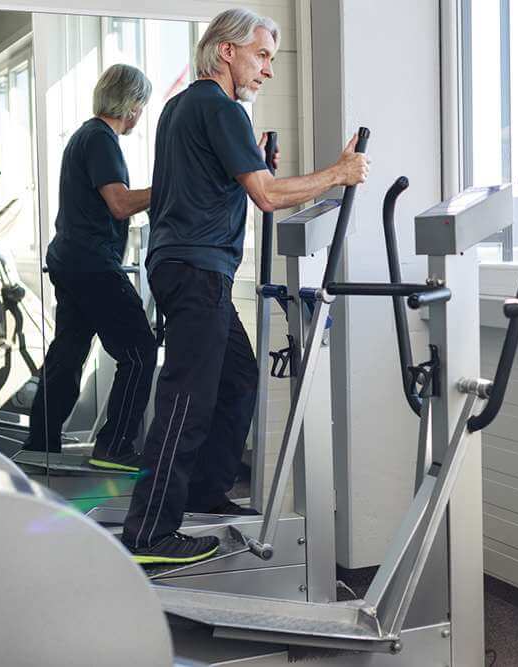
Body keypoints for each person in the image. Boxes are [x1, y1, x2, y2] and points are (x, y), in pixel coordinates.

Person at [121, 9, 369, 565]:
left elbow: (207, 184)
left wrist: (252, 159)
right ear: (227, 51)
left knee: (236, 379)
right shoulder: (222, 106)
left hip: (180, 264)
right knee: (187, 400)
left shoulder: (181, 107)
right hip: (198, 269)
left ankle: (205, 494)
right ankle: (150, 533)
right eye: (262, 56)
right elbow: (269, 196)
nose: (268, 71)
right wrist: (338, 172)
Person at [25, 64, 156, 472]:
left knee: (68, 352)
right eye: (141, 106)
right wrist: (170, 185)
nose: (139, 114)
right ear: (132, 105)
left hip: (70, 259)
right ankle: (114, 446)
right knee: (140, 352)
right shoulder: (101, 139)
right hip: (91, 264)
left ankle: (39, 445)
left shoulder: (85, 135)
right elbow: (119, 203)